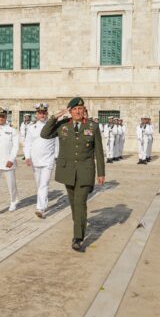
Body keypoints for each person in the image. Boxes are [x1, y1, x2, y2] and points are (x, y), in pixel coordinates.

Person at [40, 97, 106, 252]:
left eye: (80, 109)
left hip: (85, 170)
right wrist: (54, 117)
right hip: (67, 171)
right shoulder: (62, 125)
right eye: (75, 109)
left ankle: (78, 238)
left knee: (80, 202)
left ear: (84, 111)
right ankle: (79, 223)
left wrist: (101, 173)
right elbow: (44, 134)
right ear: (70, 111)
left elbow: (99, 152)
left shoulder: (92, 126)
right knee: (74, 204)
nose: (78, 111)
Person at [24, 103, 58, 218]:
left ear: (47, 114)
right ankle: (44, 202)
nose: (42, 115)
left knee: (44, 184)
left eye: (44, 113)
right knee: (39, 184)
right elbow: (27, 143)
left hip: (48, 160)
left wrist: (57, 157)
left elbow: (57, 143)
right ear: (36, 114)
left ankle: (40, 208)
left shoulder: (52, 126)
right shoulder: (31, 127)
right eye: (40, 113)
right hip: (35, 160)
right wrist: (27, 156)